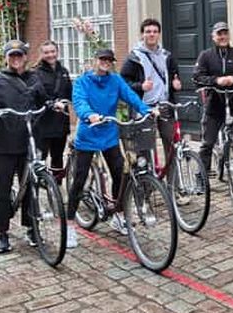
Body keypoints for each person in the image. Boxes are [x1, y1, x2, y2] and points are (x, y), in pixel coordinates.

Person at [69, 48, 155, 248]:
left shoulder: (115, 80)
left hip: (109, 134)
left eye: (109, 60)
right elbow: (79, 102)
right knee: (79, 181)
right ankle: (70, 225)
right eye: (102, 59)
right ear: (95, 60)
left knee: (120, 174)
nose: (106, 62)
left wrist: (147, 110)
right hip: (89, 134)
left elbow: (130, 96)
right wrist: (89, 115)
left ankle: (117, 214)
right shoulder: (82, 82)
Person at [0, 40, 52, 254]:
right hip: (3, 144)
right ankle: (3, 232)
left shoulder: (35, 78)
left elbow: (44, 99)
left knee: (30, 188)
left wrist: (54, 104)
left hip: (29, 140)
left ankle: (31, 227)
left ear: (25, 57)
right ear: (6, 57)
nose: (16, 59)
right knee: (2, 190)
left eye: (19, 55)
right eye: (12, 55)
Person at [193, 22, 233, 191]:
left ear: (229, 35)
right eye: (219, 34)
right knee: (207, 143)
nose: (222, 37)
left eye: (225, 33)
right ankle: (202, 177)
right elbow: (197, 76)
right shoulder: (206, 56)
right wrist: (216, 81)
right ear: (213, 37)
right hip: (214, 106)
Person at [120, 18, 182, 166]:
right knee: (145, 148)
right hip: (144, 108)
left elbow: (174, 76)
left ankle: (171, 184)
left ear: (159, 34)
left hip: (164, 106)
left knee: (171, 145)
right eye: (148, 32)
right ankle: (147, 185)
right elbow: (123, 83)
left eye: (155, 31)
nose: (151, 34)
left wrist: (176, 84)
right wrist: (141, 86)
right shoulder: (134, 57)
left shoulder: (167, 55)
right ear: (142, 34)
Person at [34, 40, 73, 181]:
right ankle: (36, 187)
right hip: (42, 123)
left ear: (57, 52)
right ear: (41, 54)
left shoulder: (63, 72)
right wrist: (52, 104)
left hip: (60, 122)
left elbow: (70, 93)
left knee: (58, 157)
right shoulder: (36, 73)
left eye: (53, 51)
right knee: (40, 158)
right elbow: (39, 94)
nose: (50, 55)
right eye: (46, 52)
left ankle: (56, 189)